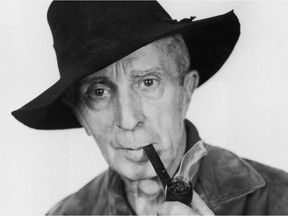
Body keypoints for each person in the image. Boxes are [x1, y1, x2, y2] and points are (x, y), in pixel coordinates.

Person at [11, 1, 288, 215]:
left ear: (186, 90)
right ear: (80, 114)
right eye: (99, 91)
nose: (129, 119)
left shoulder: (279, 200)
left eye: (147, 82)